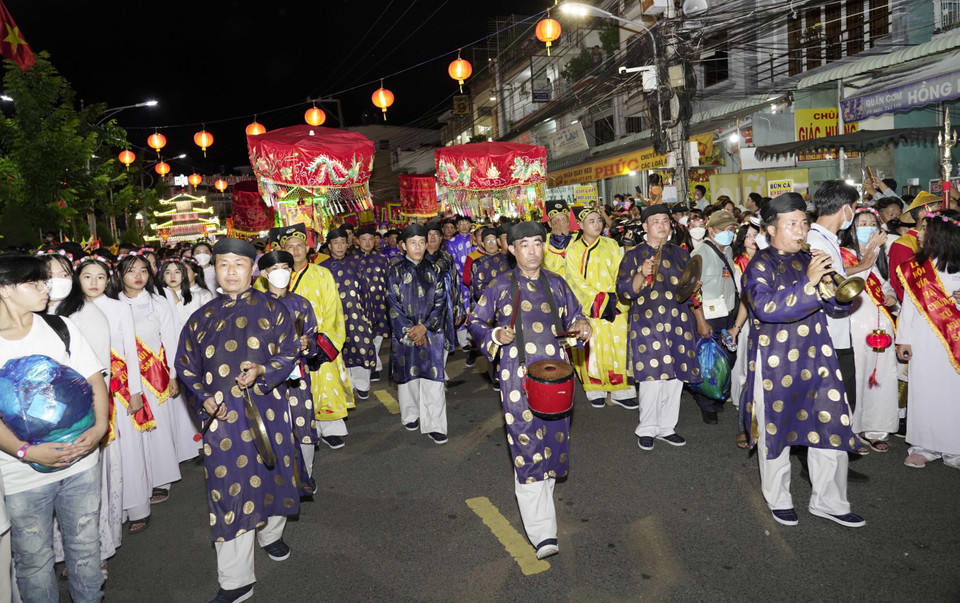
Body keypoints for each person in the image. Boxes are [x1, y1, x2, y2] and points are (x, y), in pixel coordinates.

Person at [175, 238, 310, 603]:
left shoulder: (275, 309)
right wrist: (205, 401)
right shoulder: (201, 317)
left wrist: (264, 369)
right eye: (223, 264)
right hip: (222, 422)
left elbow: (290, 352)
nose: (231, 271)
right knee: (228, 492)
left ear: (253, 269)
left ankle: (271, 534)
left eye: (239, 264)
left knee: (275, 473)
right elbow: (185, 366)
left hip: (270, 413)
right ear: (213, 269)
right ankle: (236, 581)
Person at [467, 221, 591, 560]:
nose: (533, 250)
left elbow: (577, 316)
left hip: (558, 378)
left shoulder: (557, 282)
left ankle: (544, 511)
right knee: (527, 447)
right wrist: (494, 336)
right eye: (525, 245)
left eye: (538, 243)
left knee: (553, 444)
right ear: (512, 249)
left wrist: (582, 326)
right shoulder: (500, 285)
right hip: (516, 377)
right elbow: (475, 322)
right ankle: (542, 533)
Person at [741, 193, 864, 528]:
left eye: (804, 223)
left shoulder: (807, 259)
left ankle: (830, 501)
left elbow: (836, 308)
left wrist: (832, 288)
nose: (800, 230)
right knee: (775, 435)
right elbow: (766, 309)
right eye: (792, 224)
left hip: (818, 361)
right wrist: (811, 283)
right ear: (769, 228)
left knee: (831, 429)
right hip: (775, 365)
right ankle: (778, 498)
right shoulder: (759, 265)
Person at [0, 254, 109, 602]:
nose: (45, 288)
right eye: (34, 282)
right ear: (4, 289)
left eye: (44, 280)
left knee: (86, 547)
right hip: (22, 472)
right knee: (33, 560)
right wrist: (26, 451)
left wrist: (100, 428)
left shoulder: (59, 327)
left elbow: (94, 379)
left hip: (82, 460)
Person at [46, 254, 122, 580]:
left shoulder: (87, 314)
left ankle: (95, 556)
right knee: (53, 491)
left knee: (85, 491)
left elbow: (97, 374)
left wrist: (92, 417)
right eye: (49, 274)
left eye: (64, 272)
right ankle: (63, 555)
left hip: (80, 413)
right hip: (44, 418)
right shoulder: (32, 314)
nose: (58, 279)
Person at [77, 256, 157, 538]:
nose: (94, 283)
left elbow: (131, 353)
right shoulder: (69, 310)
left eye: (100, 277)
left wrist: (135, 390)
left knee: (129, 450)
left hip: (121, 390)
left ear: (108, 279)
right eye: (88, 276)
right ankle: (111, 514)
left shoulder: (119, 308)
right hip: (87, 392)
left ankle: (137, 507)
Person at [616, 205, 707, 450]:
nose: (662, 225)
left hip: (678, 325)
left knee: (675, 379)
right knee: (651, 380)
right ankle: (647, 428)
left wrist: (694, 292)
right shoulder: (633, 255)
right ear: (645, 226)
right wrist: (640, 274)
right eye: (655, 221)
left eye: (665, 220)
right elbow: (623, 291)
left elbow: (688, 293)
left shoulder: (681, 254)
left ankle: (667, 427)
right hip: (647, 326)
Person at [107, 252, 187, 503]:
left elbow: (172, 339)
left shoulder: (159, 302)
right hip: (125, 380)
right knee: (133, 432)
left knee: (159, 429)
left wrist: (174, 374)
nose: (138, 276)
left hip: (155, 376)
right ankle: (139, 482)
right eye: (131, 271)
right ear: (120, 275)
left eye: (143, 270)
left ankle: (162, 479)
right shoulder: (111, 305)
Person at [273, 224, 352, 450]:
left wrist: (320, 343)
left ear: (308, 248)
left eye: (300, 245)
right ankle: (297, 429)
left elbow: (333, 310)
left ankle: (330, 429)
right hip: (286, 346)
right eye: (290, 246)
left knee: (325, 383)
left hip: (319, 343)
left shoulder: (322, 273)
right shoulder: (274, 277)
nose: (296, 250)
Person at [896, 209, 960, 469]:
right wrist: (904, 340)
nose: (919, 235)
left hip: (953, 340)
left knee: (953, 393)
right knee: (923, 392)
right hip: (923, 340)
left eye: (925, 230)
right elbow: (908, 307)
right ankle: (923, 446)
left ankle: (954, 447)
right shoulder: (915, 267)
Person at [257, 250, 321, 480]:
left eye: (285, 267)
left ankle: (306, 476)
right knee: (273, 429)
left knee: (303, 425)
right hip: (267, 380)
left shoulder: (301, 303)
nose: (281, 273)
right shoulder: (256, 305)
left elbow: (314, 339)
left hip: (298, 379)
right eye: (275, 269)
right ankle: (279, 480)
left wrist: (307, 344)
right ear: (264, 274)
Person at [839, 209, 899, 452]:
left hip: (880, 323)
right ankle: (851, 429)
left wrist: (890, 295)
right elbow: (848, 280)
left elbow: (885, 281)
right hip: (853, 321)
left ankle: (876, 428)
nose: (867, 227)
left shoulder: (880, 252)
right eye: (861, 223)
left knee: (881, 376)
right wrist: (867, 253)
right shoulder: (844, 253)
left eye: (872, 223)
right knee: (856, 376)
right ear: (852, 228)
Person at [565, 206, 636, 409]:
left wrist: (614, 298)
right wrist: (598, 300)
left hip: (614, 306)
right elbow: (574, 281)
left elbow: (620, 272)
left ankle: (621, 390)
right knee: (592, 349)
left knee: (619, 346)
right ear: (580, 225)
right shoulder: (573, 250)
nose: (597, 224)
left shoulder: (612, 244)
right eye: (591, 221)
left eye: (599, 220)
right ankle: (595, 388)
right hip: (590, 308)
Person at [386, 225, 449, 444]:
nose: (418, 247)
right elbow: (392, 305)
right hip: (405, 334)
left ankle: (436, 424)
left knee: (434, 380)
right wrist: (411, 330)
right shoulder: (394, 272)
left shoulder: (436, 270)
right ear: (403, 246)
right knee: (408, 379)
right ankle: (410, 414)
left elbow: (441, 302)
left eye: (422, 242)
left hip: (431, 333)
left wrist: (426, 326)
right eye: (413, 242)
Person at [690, 209, 739, 424]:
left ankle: (716, 394)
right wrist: (701, 321)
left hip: (727, 312)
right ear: (710, 230)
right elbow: (690, 291)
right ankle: (707, 405)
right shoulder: (700, 254)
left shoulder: (727, 250)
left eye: (732, 230)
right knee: (707, 362)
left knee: (727, 358)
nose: (728, 233)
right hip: (709, 315)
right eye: (724, 230)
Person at [323, 228, 377, 400]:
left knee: (361, 348)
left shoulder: (357, 263)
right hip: (333, 319)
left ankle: (362, 385)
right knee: (339, 352)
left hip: (358, 316)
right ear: (329, 246)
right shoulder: (321, 269)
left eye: (342, 242)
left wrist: (369, 317)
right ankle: (346, 386)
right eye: (335, 243)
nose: (339, 246)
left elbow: (366, 292)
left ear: (347, 244)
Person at [730, 219, 761, 448]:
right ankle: (745, 423)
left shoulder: (768, 259)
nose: (753, 239)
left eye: (756, 235)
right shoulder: (740, 262)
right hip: (751, 322)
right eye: (749, 235)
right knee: (748, 372)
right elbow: (744, 297)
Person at [888, 191, 941, 302]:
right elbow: (899, 283)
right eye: (937, 211)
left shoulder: (940, 239)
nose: (941, 215)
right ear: (922, 214)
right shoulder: (903, 244)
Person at [425, 222, 464, 371]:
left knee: (444, 341)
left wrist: (458, 309)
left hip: (445, 308)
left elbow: (455, 282)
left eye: (436, 235)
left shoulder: (447, 257)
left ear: (442, 238)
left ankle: (439, 371)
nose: (433, 237)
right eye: (430, 234)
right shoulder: (419, 257)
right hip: (425, 309)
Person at [357, 225, 391, 382]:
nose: (368, 242)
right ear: (357, 241)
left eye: (371, 239)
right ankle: (372, 366)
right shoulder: (352, 261)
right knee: (364, 336)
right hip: (359, 306)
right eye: (364, 239)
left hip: (379, 304)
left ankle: (374, 364)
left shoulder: (382, 259)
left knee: (377, 337)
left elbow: (389, 282)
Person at [447, 215, 475, 351]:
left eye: (466, 223)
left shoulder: (475, 239)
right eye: (461, 223)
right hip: (459, 280)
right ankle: (463, 340)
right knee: (462, 307)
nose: (464, 225)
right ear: (457, 225)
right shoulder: (451, 242)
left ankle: (474, 335)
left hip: (474, 280)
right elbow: (451, 264)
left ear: (470, 224)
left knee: (474, 306)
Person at [542, 200, 573, 274]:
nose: (561, 223)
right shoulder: (543, 242)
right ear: (550, 223)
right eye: (557, 220)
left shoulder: (576, 241)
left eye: (564, 220)